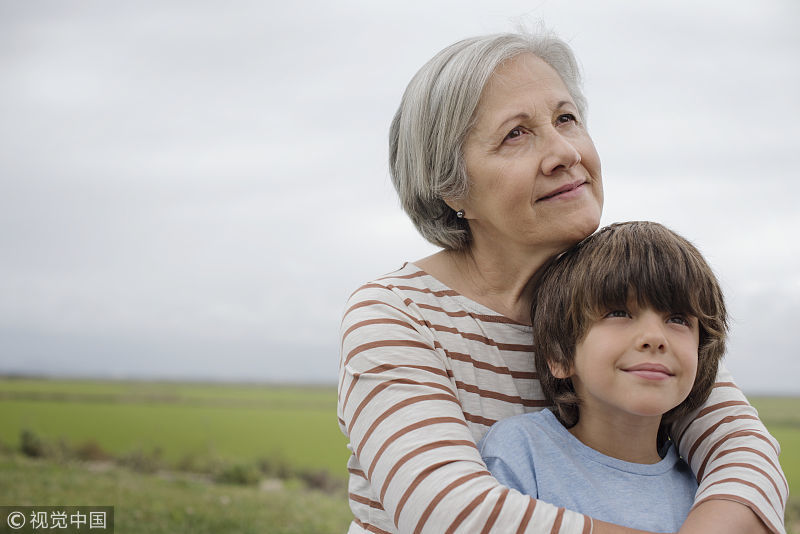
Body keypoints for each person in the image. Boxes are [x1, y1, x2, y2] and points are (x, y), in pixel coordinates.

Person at [337, 31, 787, 534]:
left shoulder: (620, 296)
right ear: (450, 187)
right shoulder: (397, 313)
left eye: (566, 119)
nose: (564, 152)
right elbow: (447, 511)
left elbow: (743, 455)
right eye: (516, 134)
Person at [479, 221, 728, 532]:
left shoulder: (709, 489)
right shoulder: (521, 451)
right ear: (561, 354)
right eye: (619, 313)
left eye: (677, 319)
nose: (654, 337)